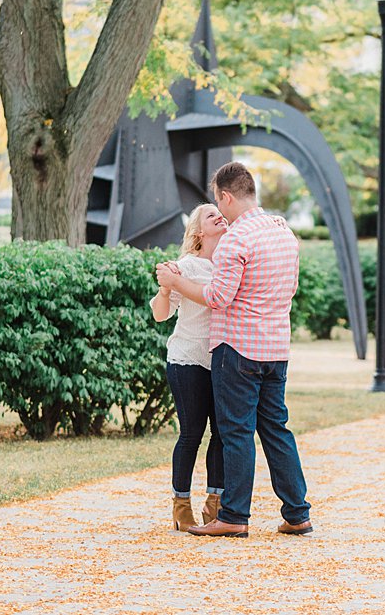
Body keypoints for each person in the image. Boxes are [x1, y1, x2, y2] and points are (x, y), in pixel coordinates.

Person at [156, 161, 312, 538]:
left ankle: (233, 516)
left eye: (218, 202)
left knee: (236, 432)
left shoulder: (237, 240)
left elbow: (217, 297)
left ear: (226, 196)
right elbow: (290, 289)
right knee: (276, 428)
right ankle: (297, 512)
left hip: (238, 348)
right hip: (276, 347)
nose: (219, 211)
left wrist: (176, 280)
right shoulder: (283, 232)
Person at [149, 203, 228, 531]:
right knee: (192, 433)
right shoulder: (187, 267)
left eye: (221, 213)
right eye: (212, 216)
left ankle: (216, 504)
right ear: (199, 231)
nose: (220, 216)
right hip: (188, 359)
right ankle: (181, 506)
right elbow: (160, 314)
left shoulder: (230, 264)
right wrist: (166, 287)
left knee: (222, 433)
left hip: (222, 361)